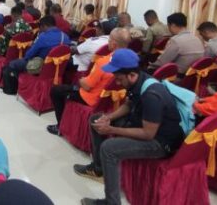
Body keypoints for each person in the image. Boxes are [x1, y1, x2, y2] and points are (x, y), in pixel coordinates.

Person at [75, 49, 184, 205]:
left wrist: (111, 130)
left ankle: (111, 202)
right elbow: (128, 104)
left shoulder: (152, 95)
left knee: (109, 148)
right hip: (143, 123)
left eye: (119, 79)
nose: (117, 83)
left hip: (160, 143)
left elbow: (148, 134)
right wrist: (108, 118)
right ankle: (99, 169)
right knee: (96, 119)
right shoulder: (138, 80)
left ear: (131, 75)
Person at [48, 28, 131, 133]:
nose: (108, 42)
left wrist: (81, 80)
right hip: (112, 100)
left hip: (91, 98)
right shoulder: (132, 62)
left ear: (114, 44)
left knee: (56, 91)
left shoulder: (103, 62)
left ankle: (61, 126)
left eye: (109, 39)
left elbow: (87, 86)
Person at [4, 15, 71, 75]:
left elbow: (29, 55)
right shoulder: (65, 37)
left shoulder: (43, 37)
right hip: (58, 68)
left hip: (41, 67)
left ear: (44, 26)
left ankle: (12, 88)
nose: (40, 30)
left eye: (40, 28)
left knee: (12, 64)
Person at [0, 5, 32, 77]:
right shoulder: (29, 26)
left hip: (9, 51)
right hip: (24, 51)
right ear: (21, 14)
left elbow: (2, 41)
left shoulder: (11, 27)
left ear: (12, 15)